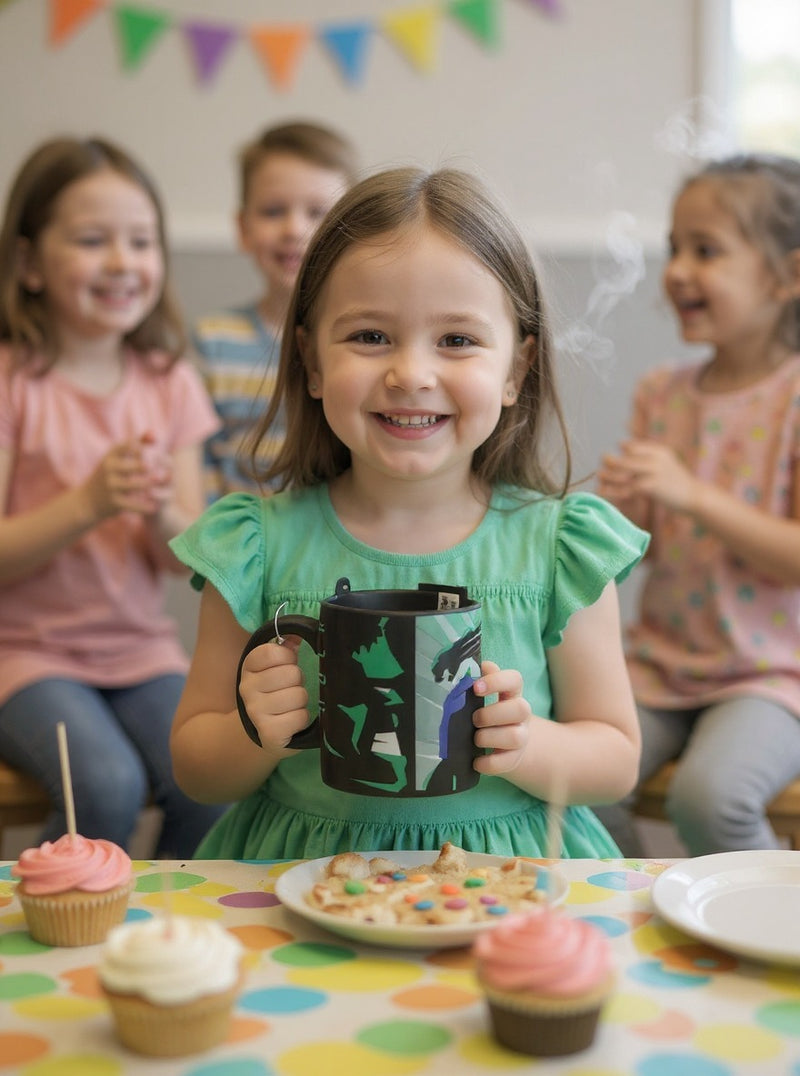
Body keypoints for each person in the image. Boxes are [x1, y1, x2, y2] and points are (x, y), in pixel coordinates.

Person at [169, 166, 648, 861]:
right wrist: (254, 731)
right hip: (296, 876)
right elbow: (195, 769)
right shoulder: (254, 546)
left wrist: (527, 745)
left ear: (516, 370)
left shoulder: (560, 548)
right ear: (310, 361)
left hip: (508, 881)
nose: (411, 374)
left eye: (456, 340)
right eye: (370, 336)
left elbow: (616, 758)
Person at [0, 136, 228, 856]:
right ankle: (61, 916)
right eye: (93, 240)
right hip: (24, 656)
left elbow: (181, 562)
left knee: (211, 778)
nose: (123, 261)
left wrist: (159, 511)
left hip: (141, 652)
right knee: (104, 784)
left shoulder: (170, 383)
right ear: (29, 264)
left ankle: (162, 922)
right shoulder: (13, 383)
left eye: (141, 240)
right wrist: (89, 503)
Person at [595, 153, 800, 856]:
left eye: (706, 250)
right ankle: (643, 911)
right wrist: (623, 513)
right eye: (675, 247)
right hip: (664, 664)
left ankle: (766, 916)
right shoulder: (662, 392)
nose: (678, 270)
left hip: (772, 675)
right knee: (585, 784)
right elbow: (640, 544)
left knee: (712, 799)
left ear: (788, 277)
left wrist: (693, 495)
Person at [192, 120, 358, 502]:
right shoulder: (213, 340)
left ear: (351, 229)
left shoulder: (364, 342)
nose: (294, 229)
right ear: (243, 227)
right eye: (272, 211)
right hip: (239, 534)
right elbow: (200, 466)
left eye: (317, 212)